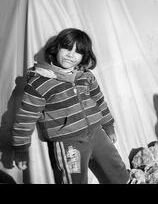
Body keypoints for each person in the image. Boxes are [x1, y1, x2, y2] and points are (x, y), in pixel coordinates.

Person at [12, 28, 129, 184]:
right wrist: (21, 149)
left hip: (97, 133)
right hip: (69, 144)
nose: (71, 54)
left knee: (117, 170)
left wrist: (108, 125)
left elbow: (99, 100)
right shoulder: (40, 82)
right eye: (67, 48)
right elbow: (25, 118)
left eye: (78, 51)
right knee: (74, 180)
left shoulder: (86, 76)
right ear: (57, 48)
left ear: (84, 56)